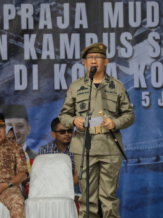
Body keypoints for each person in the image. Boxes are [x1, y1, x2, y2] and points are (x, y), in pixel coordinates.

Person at [59, 43, 135, 218]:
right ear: (84, 62)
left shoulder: (117, 86)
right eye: (90, 58)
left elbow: (129, 115)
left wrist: (115, 123)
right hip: (85, 147)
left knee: (108, 197)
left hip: (110, 147)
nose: (94, 61)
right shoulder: (76, 86)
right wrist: (73, 120)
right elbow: (63, 115)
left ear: (106, 61)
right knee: (88, 199)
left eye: (98, 58)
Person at [38, 117, 78, 186]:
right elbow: (42, 174)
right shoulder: (45, 149)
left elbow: (78, 174)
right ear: (53, 134)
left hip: (73, 185)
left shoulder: (78, 148)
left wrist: (66, 189)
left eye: (69, 131)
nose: (67, 134)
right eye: (62, 131)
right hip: (50, 186)